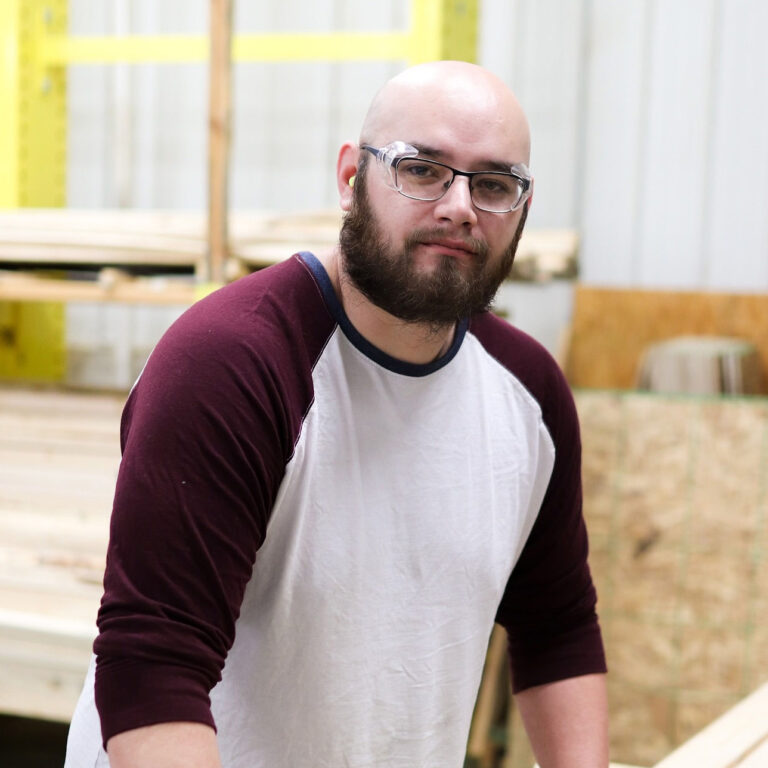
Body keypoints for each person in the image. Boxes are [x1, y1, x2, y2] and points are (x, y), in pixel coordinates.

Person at [65, 60, 608, 768]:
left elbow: (557, 629)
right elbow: (152, 666)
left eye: (494, 184)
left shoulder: (529, 394)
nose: (459, 207)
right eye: (422, 170)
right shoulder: (231, 365)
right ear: (352, 177)